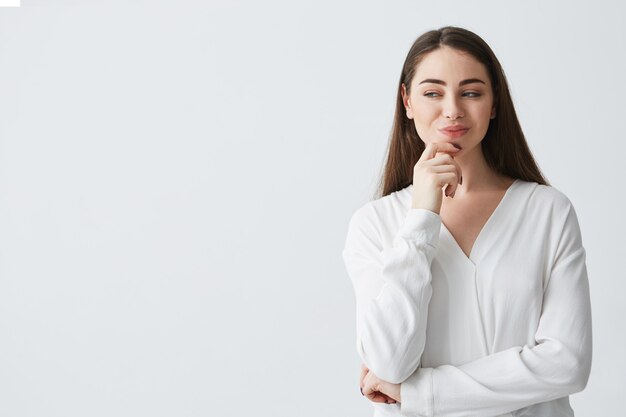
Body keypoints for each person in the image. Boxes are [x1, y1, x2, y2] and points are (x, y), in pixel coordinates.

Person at [341, 26, 592, 417]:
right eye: (432, 93)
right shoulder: (375, 223)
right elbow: (389, 363)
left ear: (494, 103)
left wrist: (420, 393)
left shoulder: (548, 212)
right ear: (407, 101)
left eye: (471, 92)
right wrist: (422, 217)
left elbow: (567, 364)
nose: (453, 109)